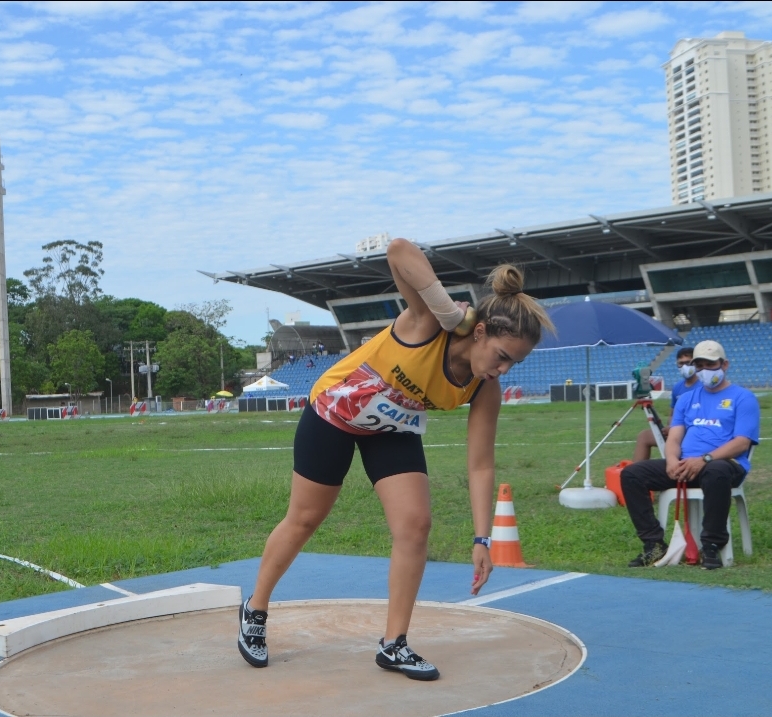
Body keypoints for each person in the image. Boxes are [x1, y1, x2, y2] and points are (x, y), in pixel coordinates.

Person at [237, 238, 554, 681]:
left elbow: (480, 463)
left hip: (391, 424)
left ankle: (394, 644)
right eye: (501, 356)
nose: (502, 370)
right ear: (479, 332)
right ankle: (255, 609)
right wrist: (446, 310)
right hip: (335, 409)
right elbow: (399, 250)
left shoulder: (484, 386)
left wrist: (482, 540)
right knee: (305, 518)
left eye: (513, 364)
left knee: (415, 524)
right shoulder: (428, 323)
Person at [620, 340, 759, 570]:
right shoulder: (687, 398)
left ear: (724, 365)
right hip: (686, 464)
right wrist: (672, 460)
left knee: (716, 471)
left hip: (724, 464)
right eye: (700, 365)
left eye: (710, 365)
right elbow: (674, 438)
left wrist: (704, 459)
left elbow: (741, 443)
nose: (704, 371)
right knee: (632, 474)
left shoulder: (743, 398)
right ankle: (653, 544)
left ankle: (712, 545)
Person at [633, 347, 696, 462]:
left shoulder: (703, 386)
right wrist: (671, 428)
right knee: (644, 436)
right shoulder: (677, 387)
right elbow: (672, 414)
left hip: (693, 433)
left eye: (688, 362)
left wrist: (676, 430)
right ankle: (635, 476)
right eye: (681, 363)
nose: (684, 367)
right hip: (676, 432)